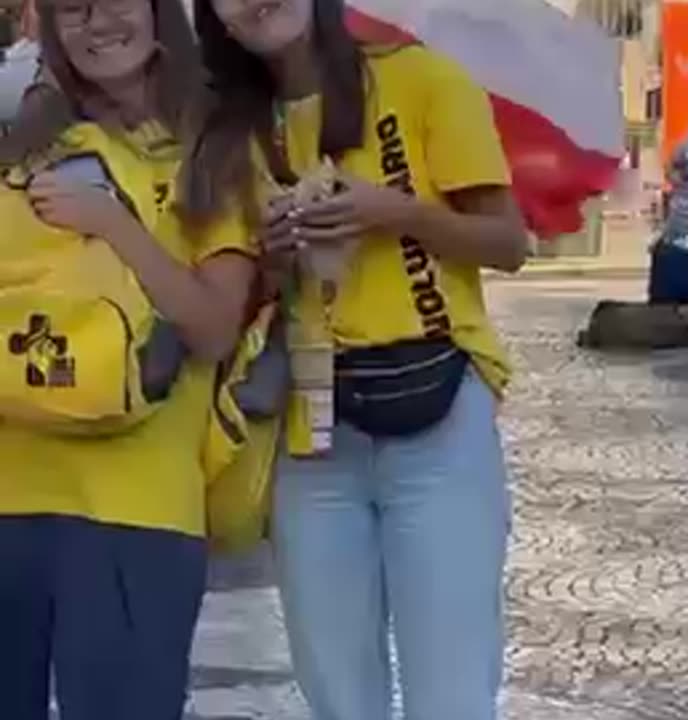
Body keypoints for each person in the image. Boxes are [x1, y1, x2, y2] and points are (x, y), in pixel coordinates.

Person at [189, 0, 528, 718]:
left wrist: (394, 212)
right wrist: (272, 259)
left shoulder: (423, 80)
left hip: (439, 417)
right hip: (312, 436)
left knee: (452, 692)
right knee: (337, 692)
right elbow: (229, 296)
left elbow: (507, 242)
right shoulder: (230, 131)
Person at [0, 0, 258, 717]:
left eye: (116, 0)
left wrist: (112, 221)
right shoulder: (19, 148)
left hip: (135, 511)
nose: (96, 21)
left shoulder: (211, 154)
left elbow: (211, 328)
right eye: (72, 9)